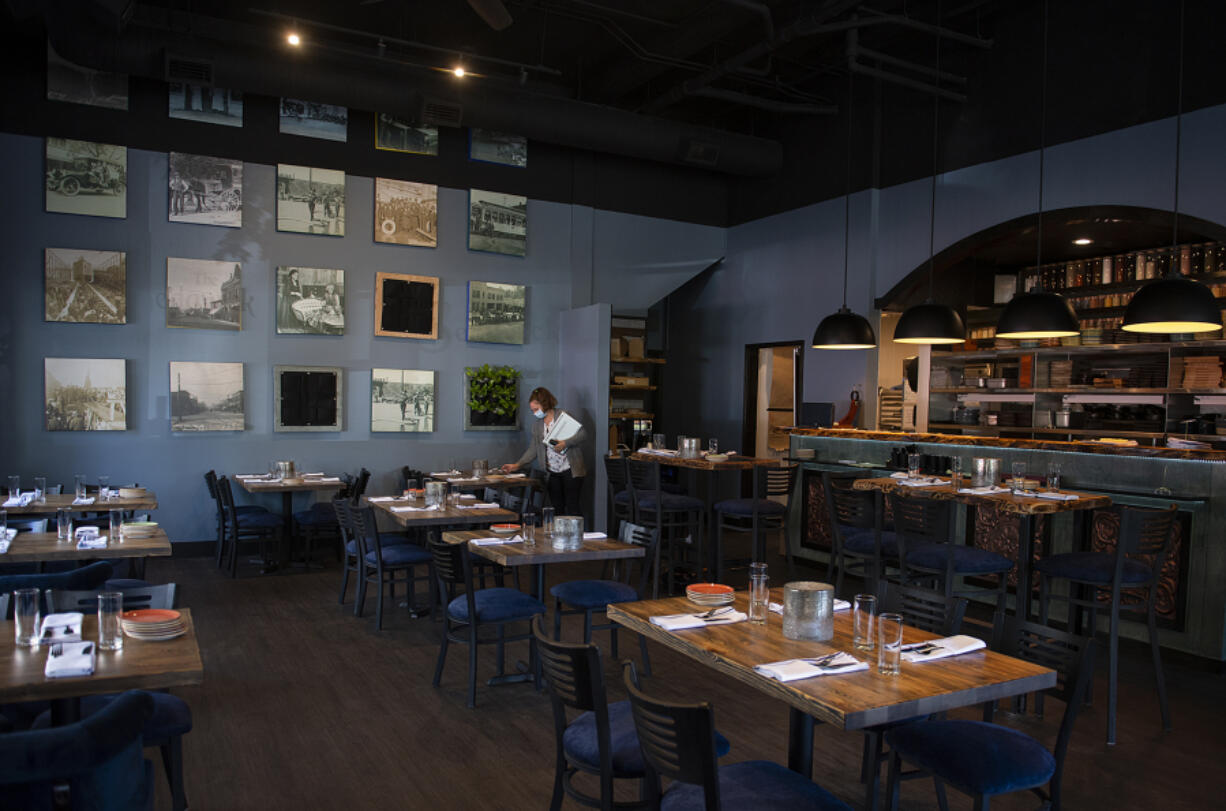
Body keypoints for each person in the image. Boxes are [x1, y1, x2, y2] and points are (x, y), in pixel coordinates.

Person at [501, 387, 587, 519]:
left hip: (571, 469)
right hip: (552, 471)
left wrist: (565, 443)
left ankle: (579, 538)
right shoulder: (537, 425)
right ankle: (560, 538)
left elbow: (582, 434)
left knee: (572, 507)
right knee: (557, 508)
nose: (535, 413)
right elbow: (533, 449)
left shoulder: (563, 415)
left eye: (536, 409)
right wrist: (517, 465)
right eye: (532, 410)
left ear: (545, 403)